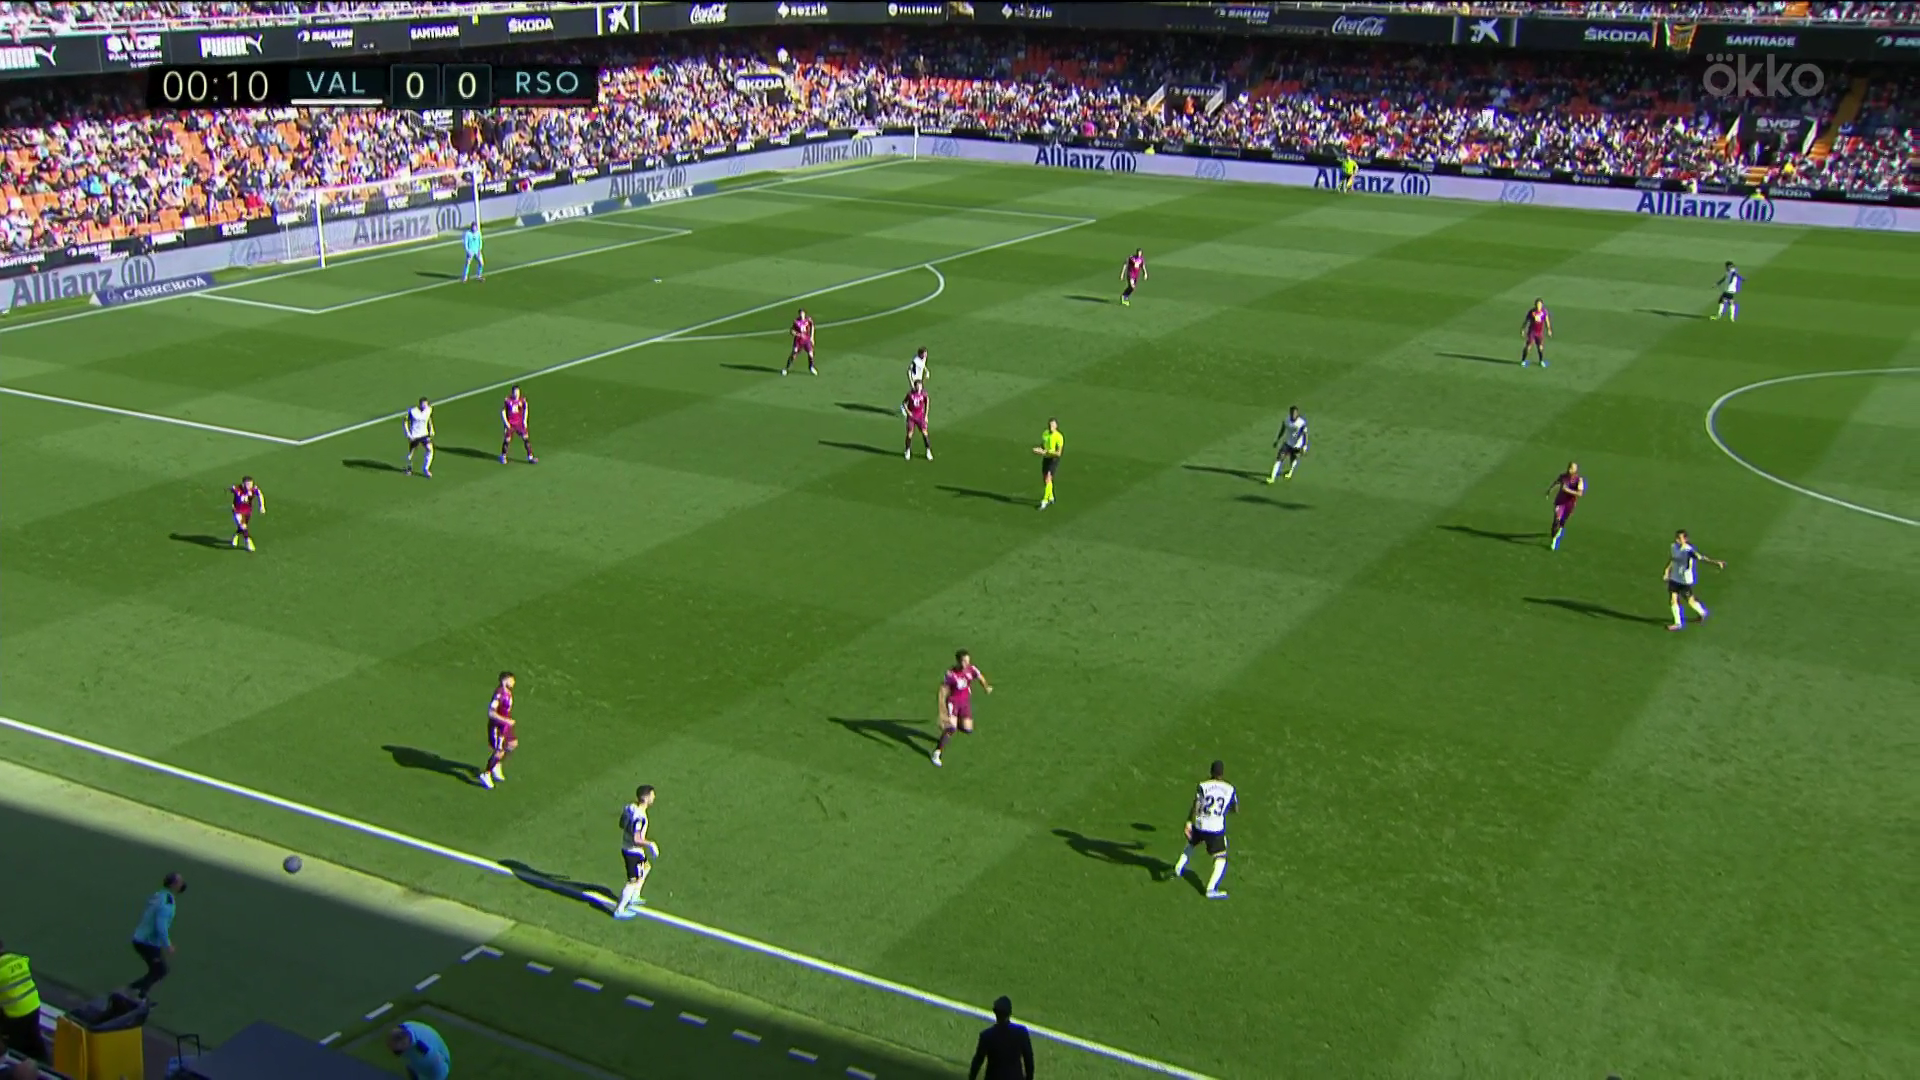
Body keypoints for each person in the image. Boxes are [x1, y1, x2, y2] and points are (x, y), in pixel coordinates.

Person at [1171, 761, 1236, 900]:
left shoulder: (1203, 786)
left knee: (1191, 844)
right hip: (1215, 828)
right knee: (1220, 858)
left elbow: (1197, 804)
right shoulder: (1230, 788)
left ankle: (1178, 868)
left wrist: (1189, 821)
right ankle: (1211, 889)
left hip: (1201, 823)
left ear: (1211, 771)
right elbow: (1234, 808)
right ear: (1222, 773)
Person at [129, 872, 186, 1000]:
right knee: (160, 970)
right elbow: (161, 925)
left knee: (157, 970)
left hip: (142, 939)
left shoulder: (159, 895)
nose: (182, 884)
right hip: (147, 942)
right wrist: (168, 945)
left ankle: (139, 994)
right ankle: (133, 992)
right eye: (180, 881)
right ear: (173, 885)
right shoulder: (167, 902)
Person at [932, 650, 992, 769]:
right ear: (958, 661)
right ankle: (937, 753)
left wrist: (986, 687)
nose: (967, 663)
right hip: (953, 702)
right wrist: (942, 712)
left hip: (965, 703)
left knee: (968, 729)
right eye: (964, 661)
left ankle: (953, 724)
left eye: (968, 661)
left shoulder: (971, 669)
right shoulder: (951, 674)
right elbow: (942, 692)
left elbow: (980, 677)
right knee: (951, 728)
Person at [1663, 529, 1725, 631]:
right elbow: (1673, 558)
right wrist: (1667, 570)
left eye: (1680, 538)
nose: (1677, 540)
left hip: (1685, 580)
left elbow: (1701, 558)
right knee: (1673, 599)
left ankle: (1703, 613)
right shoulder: (1673, 547)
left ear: (1685, 539)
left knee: (1690, 601)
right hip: (1674, 578)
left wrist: (1716, 562)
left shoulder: (1688, 551)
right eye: (1677, 538)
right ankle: (1678, 623)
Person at [613, 785, 658, 919]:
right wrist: (650, 844)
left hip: (627, 846)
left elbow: (621, 824)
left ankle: (635, 896)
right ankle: (619, 909)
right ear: (646, 798)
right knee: (632, 881)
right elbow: (636, 839)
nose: (654, 797)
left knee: (646, 867)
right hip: (632, 851)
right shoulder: (640, 817)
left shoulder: (630, 808)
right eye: (652, 795)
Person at [0, 940, 45, 1062]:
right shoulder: (18, 959)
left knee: (17, 1048)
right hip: (34, 1005)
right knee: (34, 1037)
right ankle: (45, 1063)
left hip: (16, 1015)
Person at [969, 996, 1034, 1080]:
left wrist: (972, 1078)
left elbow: (977, 1061)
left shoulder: (987, 1035)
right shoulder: (1021, 1033)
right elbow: (1029, 1060)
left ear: (995, 1012)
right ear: (1010, 1012)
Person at [479, 672, 516, 789]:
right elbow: (491, 713)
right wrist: (505, 720)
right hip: (497, 727)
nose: (513, 683)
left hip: (505, 726)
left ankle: (496, 764)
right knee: (499, 751)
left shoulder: (508, 693)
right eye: (511, 680)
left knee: (512, 745)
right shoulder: (499, 694)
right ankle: (486, 773)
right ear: (505, 680)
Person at [387, 1020, 451, 1080]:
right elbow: (409, 1064)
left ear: (404, 1044)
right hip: (417, 1062)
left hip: (439, 1066)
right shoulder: (404, 1028)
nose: (396, 1054)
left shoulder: (425, 1050)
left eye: (397, 1052)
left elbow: (439, 1067)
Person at [1546, 462, 1585, 551]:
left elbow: (1580, 493)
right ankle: (1554, 539)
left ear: (1576, 470)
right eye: (1569, 467)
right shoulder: (1563, 476)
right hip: (1560, 502)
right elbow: (1556, 483)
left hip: (1569, 504)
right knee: (1557, 519)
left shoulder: (1579, 480)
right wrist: (1549, 490)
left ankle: (1559, 530)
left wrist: (1568, 490)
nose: (1569, 469)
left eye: (1572, 468)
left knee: (1563, 521)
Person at [1269, 406, 1308, 482]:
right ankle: (1272, 478)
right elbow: (1282, 430)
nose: (1293, 415)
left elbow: (1305, 434)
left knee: (1293, 459)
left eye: (1295, 413)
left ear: (1297, 413)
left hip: (1297, 445)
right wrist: (1277, 440)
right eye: (1292, 413)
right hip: (1287, 443)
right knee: (1279, 459)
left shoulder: (1301, 423)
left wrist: (1305, 445)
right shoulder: (1286, 420)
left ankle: (1290, 472)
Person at [500, 385, 537, 465]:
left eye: (518, 392)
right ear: (512, 393)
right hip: (510, 424)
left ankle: (530, 457)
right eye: (515, 392)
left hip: (519, 423)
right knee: (507, 440)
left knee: (526, 439)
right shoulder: (508, 400)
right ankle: (503, 456)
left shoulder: (522, 400)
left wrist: (524, 421)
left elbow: (526, 409)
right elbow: (502, 411)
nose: (517, 394)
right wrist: (506, 423)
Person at [1032, 418, 1063, 510]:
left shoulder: (1059, 437)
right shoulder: (1045, 433)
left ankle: (1045, 501)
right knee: (1045, 479)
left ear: (1056, 426)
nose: (1051, 427)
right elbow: (1043, 445)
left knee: (1048, 478)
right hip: (1046, 458)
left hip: (1053, 459)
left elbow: (1058, 453)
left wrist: (1046, 452)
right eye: (1050, 425)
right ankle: (1051, 496)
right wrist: (1039, 449)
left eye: (1053, 425)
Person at [228, 476, 265, 552]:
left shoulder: (253, 489)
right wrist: (231, 489)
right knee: (243, 526)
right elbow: (231, 489)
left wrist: (262, 506)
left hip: (247, 511)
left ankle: (235, 536)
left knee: (243, 527)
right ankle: (248, 541)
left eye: (251, 484)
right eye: (248, 484)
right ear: (243, 484)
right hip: (237, 511)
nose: (249, 486)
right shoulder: (238, 489)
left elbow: (260, 495)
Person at [404, 397, 435, 477]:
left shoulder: (429, 410)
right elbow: (405, 421)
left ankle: (426, 469)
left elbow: (429, 418)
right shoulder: (413, 411)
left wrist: (431, 429)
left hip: (424, 434)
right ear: (420, 404)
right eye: (423, 404)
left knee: (430, 448)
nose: (425, 406)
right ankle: (409, 468)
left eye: (426, 405)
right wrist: (408, 433)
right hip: (415, 435)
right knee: (411, 454)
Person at [903, 381, 932, 461]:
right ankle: (908, 450)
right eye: (918, 386)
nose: (919, 388)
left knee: (924, 432)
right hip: (912, 417)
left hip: (920, 416)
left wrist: (926, 415)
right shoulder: (910, 394)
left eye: (920, 386)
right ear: (915, 386)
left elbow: (927, 403)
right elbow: (904, 403)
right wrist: (908, 412)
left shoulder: (924, 394)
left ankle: (928, 451)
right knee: (910, 433)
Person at [783, 308, 816, 375]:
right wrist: (796, 334)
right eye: (800, 313)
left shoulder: (808, 320)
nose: (801, 315)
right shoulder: (796, 321)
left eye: (802, 313)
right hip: (798, 341)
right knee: (794, 354)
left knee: (810, 353)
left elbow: (812, 326)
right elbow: (792, 330)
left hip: (806, 340)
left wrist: (812, 337)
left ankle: (811, 367)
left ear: (804, 313)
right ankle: (786, 368)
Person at [1521, 298, 1552, 367]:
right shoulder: (1532, 312)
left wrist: (1549, 329)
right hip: (1532, 332)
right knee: (1528, 346)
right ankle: (1523, 360)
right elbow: (1527, 320)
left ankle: (1541, 361)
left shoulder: (1544, 312)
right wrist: (1523, 328)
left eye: (1540, 304)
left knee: (1540, 347)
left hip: (1539, 332)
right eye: (1537, 304)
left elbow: (1547, 321)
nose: (1539, 306)